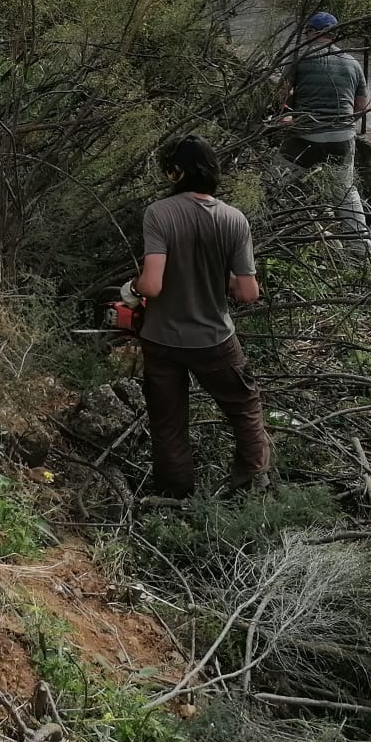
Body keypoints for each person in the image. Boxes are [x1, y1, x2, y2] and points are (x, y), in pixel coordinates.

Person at [129, 134, 268, 500]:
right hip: (215, 340)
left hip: (160, 338)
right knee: (244, 408)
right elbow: (247, 293)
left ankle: (175, 497)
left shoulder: (159, 214)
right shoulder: (234, 219)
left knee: (168, 422)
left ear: (174, 173)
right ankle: (250, 487)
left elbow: (152, 286)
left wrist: (133, 286)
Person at [276, 11, 371, 255]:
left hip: (305, 136)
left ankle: (257, 222)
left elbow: (280, 95)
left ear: (311, 32)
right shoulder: (352, 63)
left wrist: (287, 116)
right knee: (346, 191)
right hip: (342, 138)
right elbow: (361, 107)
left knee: (274, 180)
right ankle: (360, 246)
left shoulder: (301, 58)